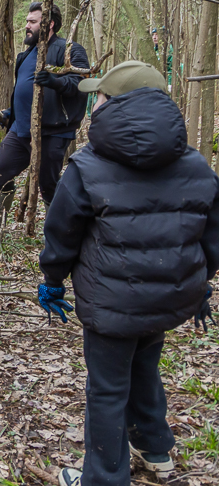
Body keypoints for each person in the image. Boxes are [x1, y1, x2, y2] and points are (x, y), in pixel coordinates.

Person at [36, 60, 219, 486]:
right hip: (168, 299)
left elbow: (62, 232)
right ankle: (156, 451)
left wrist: (51, 281)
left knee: (107, 388)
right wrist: (195, 284)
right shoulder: (196, 165)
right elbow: (211, 239)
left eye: (98, 96)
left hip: (111, 304)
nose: (93, 102)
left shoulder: (86, 166)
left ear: (112, 104)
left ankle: (102, 478)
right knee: (143, 366)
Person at [0, 2, 89, 233]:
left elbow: (82, 83)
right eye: (27, 21)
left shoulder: (70, 50)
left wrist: (55, 81)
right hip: (21, 130)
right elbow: (22, 92)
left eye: (32, 22)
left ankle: (59, 231)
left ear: (49, 24)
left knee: (47, 182)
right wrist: (11, 114)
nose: (26, 26)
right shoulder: (25, 55)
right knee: (1, 169)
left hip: (53, 131)